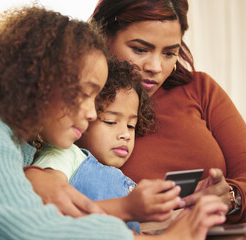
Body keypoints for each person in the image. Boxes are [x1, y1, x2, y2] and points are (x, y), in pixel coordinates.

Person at [0, 5, 228, 240]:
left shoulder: (16, 142)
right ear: (38, 79)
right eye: (85, 94)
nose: (91, 114)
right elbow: (35, 230)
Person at [89, 0, 246, 224]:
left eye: (169, 53)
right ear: (104, 36)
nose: (155, 66)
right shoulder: (81, 101)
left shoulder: (200, 89)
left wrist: (232, 196)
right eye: (140, 49)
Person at [31, 59, 156, 233]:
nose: (125, 134)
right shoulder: (65, 155)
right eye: (111, 122)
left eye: (131, 126)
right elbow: (49, 203)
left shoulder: (122, 181)